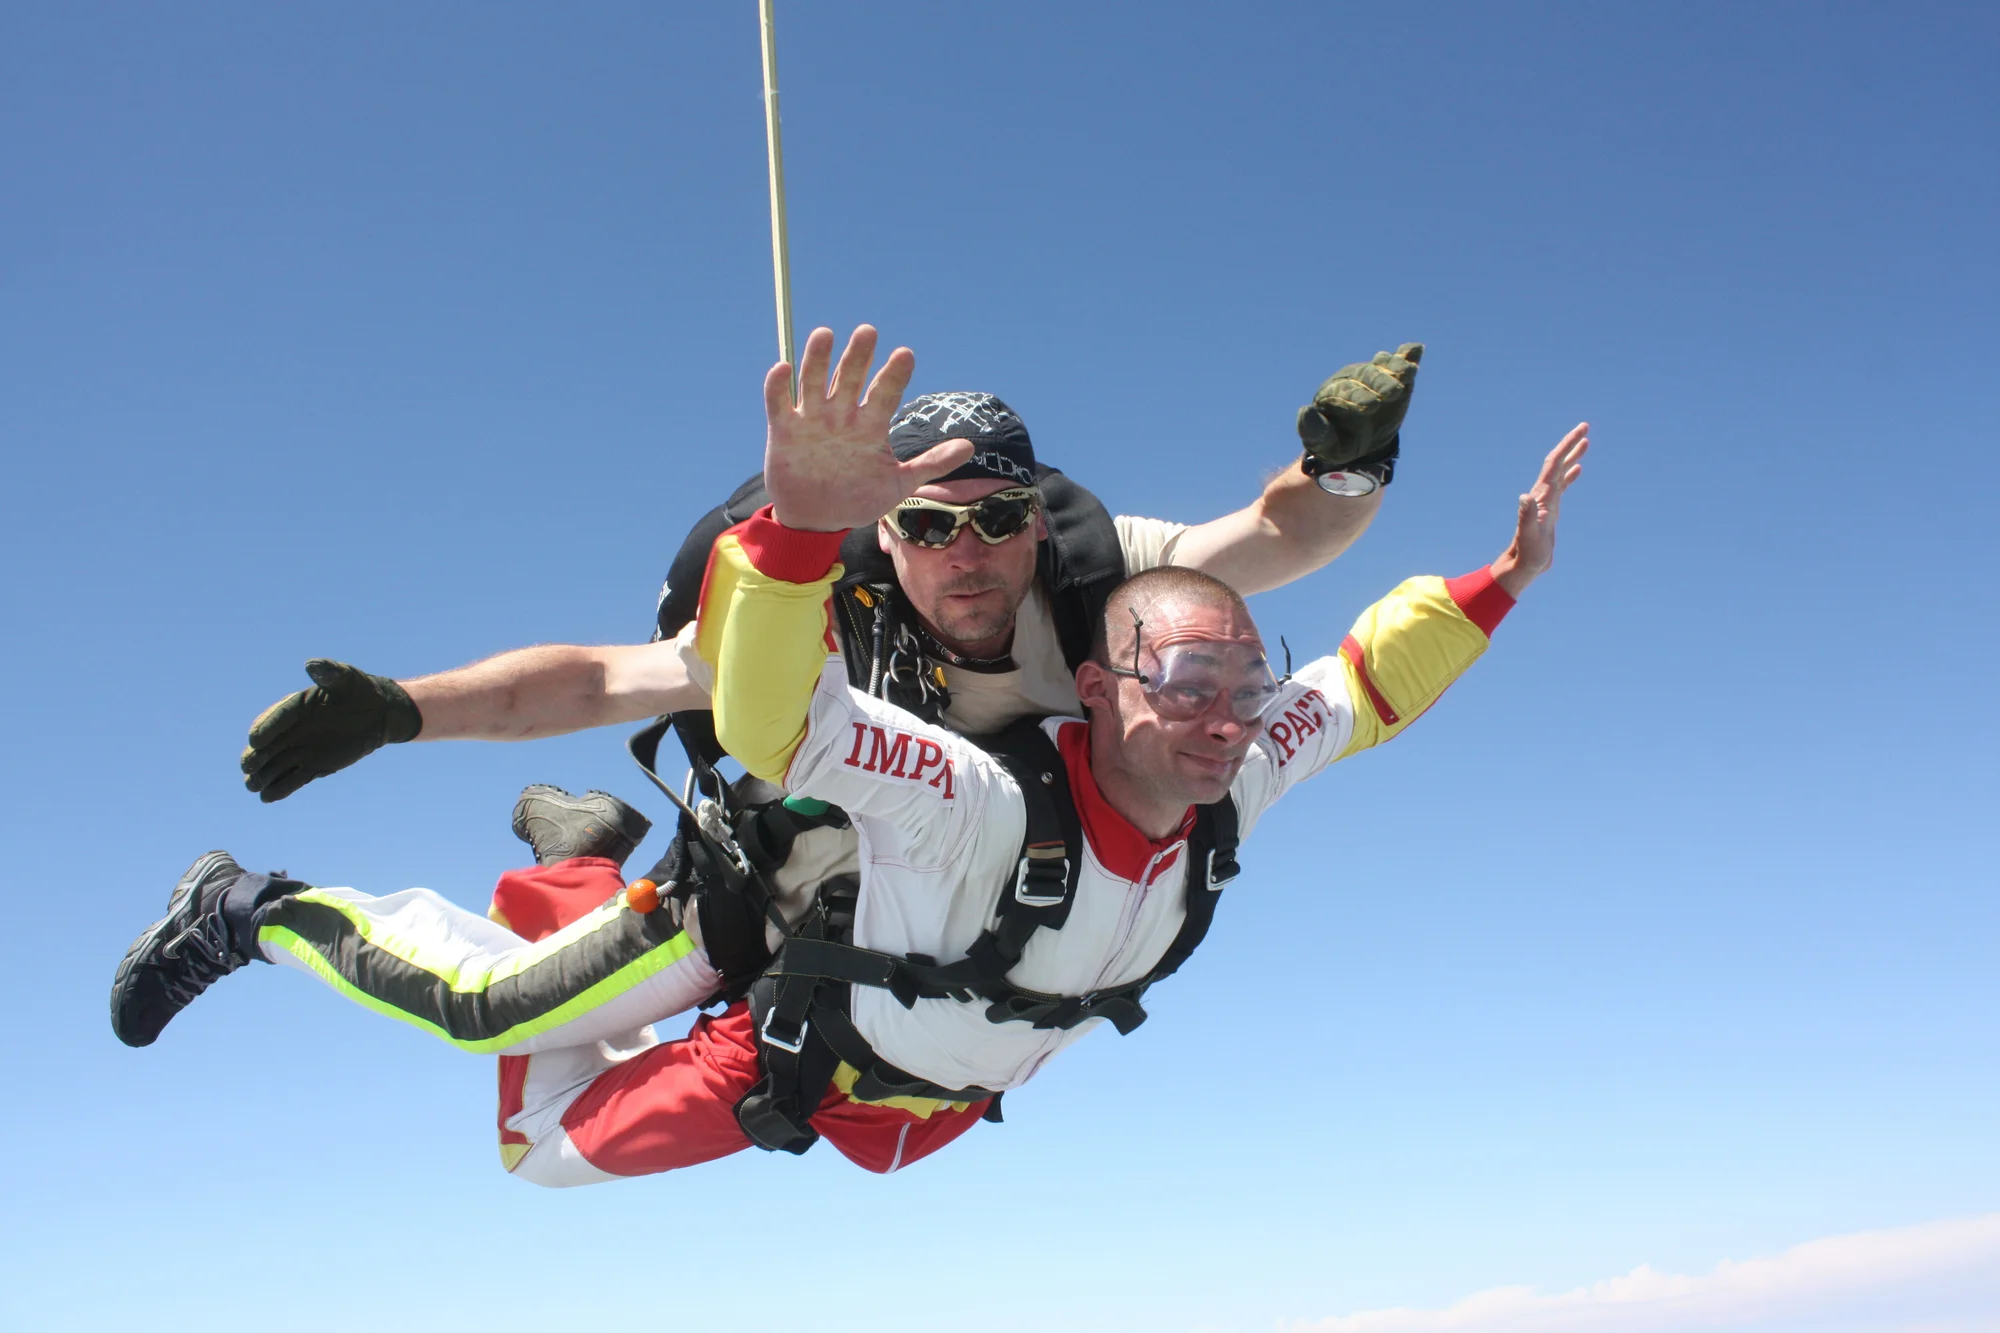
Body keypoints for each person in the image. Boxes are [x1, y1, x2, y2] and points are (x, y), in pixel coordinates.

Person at [109, 326, 1589, 1185]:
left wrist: (1344, 462)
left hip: (927, 957)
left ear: (1036, 512)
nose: (969, 554)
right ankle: (250, 906)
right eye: (930, 525)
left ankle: (565, 856)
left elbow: (1282, 560)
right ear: (887, 532)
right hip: (770, 903)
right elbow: (625, 684)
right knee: (482, 1024)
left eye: (995, 518)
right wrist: (403, 709)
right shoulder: (828, 616)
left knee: (582, 1144)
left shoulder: (1093, 582)